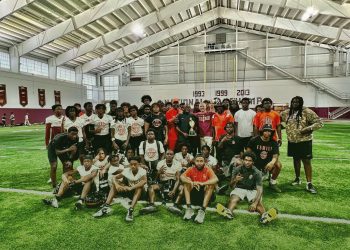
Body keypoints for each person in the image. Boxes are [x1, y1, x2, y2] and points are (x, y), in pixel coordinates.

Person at [281, 96, 323, 194]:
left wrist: (307, 129)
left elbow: (319, 123)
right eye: (293, 101)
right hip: (292, 141)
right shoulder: (287, 112)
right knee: (296, 160)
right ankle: (297, 178)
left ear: (301, 102)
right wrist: (284, 128)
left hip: (304, 140)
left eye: (297, 101)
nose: (295, 103)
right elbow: (278, 120)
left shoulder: (307, 111)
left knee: (306, 161)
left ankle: (309, 183)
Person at [221, 152, 273, 223]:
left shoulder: (257, 172)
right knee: (233, 199)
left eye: (250, 161)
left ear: (253, 162)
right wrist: (235, 180)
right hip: (240, 188)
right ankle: (229, 212)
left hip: (252, 190)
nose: (247, 162)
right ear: (243, 160)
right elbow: (231, 186)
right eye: (245, 160)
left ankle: (264, 216)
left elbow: (260, 189)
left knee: (258, 203)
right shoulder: (237, 169)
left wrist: (254, 203)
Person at [93, 156, 147, 222]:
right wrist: (117, 185)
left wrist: (131, 188)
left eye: (135, 164)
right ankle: (105, 207)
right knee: (115, 184)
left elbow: (144, 181)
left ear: (139, 164)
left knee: (138, 187)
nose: (133, 166)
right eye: (131, 164)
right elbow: (114, 178)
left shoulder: (142, 171)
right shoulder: (127, 170)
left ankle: (130, 210)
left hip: (141, 194)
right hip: (130, 192)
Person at [180, 154, 218, 224]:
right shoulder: (190, 169)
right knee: (187, 181)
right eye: (197, 161)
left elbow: (216, 179)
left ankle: (202, 211)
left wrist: (203, 183)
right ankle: (189, 209)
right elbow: (182, 177)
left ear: (204, 162)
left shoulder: (208, 169)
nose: (199, 163)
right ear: (194, 162)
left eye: (201, 161)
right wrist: (192, 182)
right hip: (194, 196)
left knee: (210, 184)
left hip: (205, 196)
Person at [247, 124, 282, 193]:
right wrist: (251, 163)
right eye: (265, 131)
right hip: (255, 163)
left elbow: (275, 156)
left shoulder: (273, 142)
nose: (267, 133)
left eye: (269, 131)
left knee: (278, 165)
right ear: (262, 131)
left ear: (271, 133)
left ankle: (272, 182)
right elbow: (248, 153)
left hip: (267, 163)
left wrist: (272, 163)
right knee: (251, 184)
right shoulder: (254, 140)